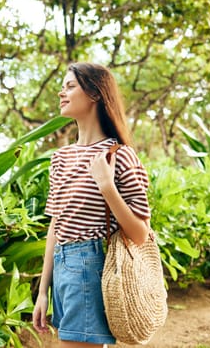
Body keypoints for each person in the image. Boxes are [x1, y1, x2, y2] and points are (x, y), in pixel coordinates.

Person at [32, 62, 152, 347]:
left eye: (70, 86)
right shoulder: (59, 159)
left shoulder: (119, 156)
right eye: (62, 87)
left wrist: (107, 187)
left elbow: (140, 234)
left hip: (90, 266)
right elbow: (55, 226)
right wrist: (42, 291)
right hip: (63, 268)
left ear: (95, 94)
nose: (61, 93)